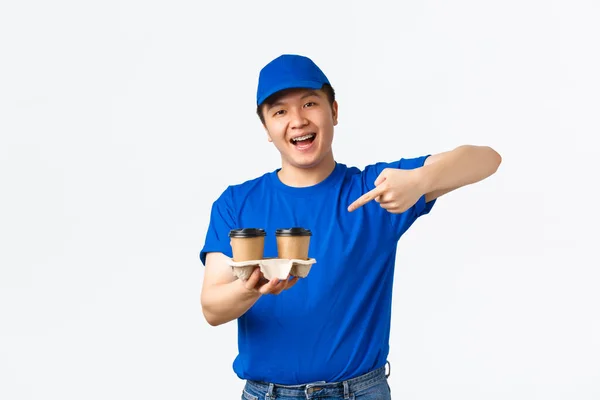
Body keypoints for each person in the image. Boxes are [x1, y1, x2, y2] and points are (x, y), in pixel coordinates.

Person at [199, 54, 502, 399]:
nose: (297, 120)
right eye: (280, 111)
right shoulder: (237, 203)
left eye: (310, 104)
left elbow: (487, 159)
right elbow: (212, 307)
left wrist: (419, 180)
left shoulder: (375, 189)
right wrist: (252, 287)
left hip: (358, 392)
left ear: (335, 112)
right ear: (267, 129)